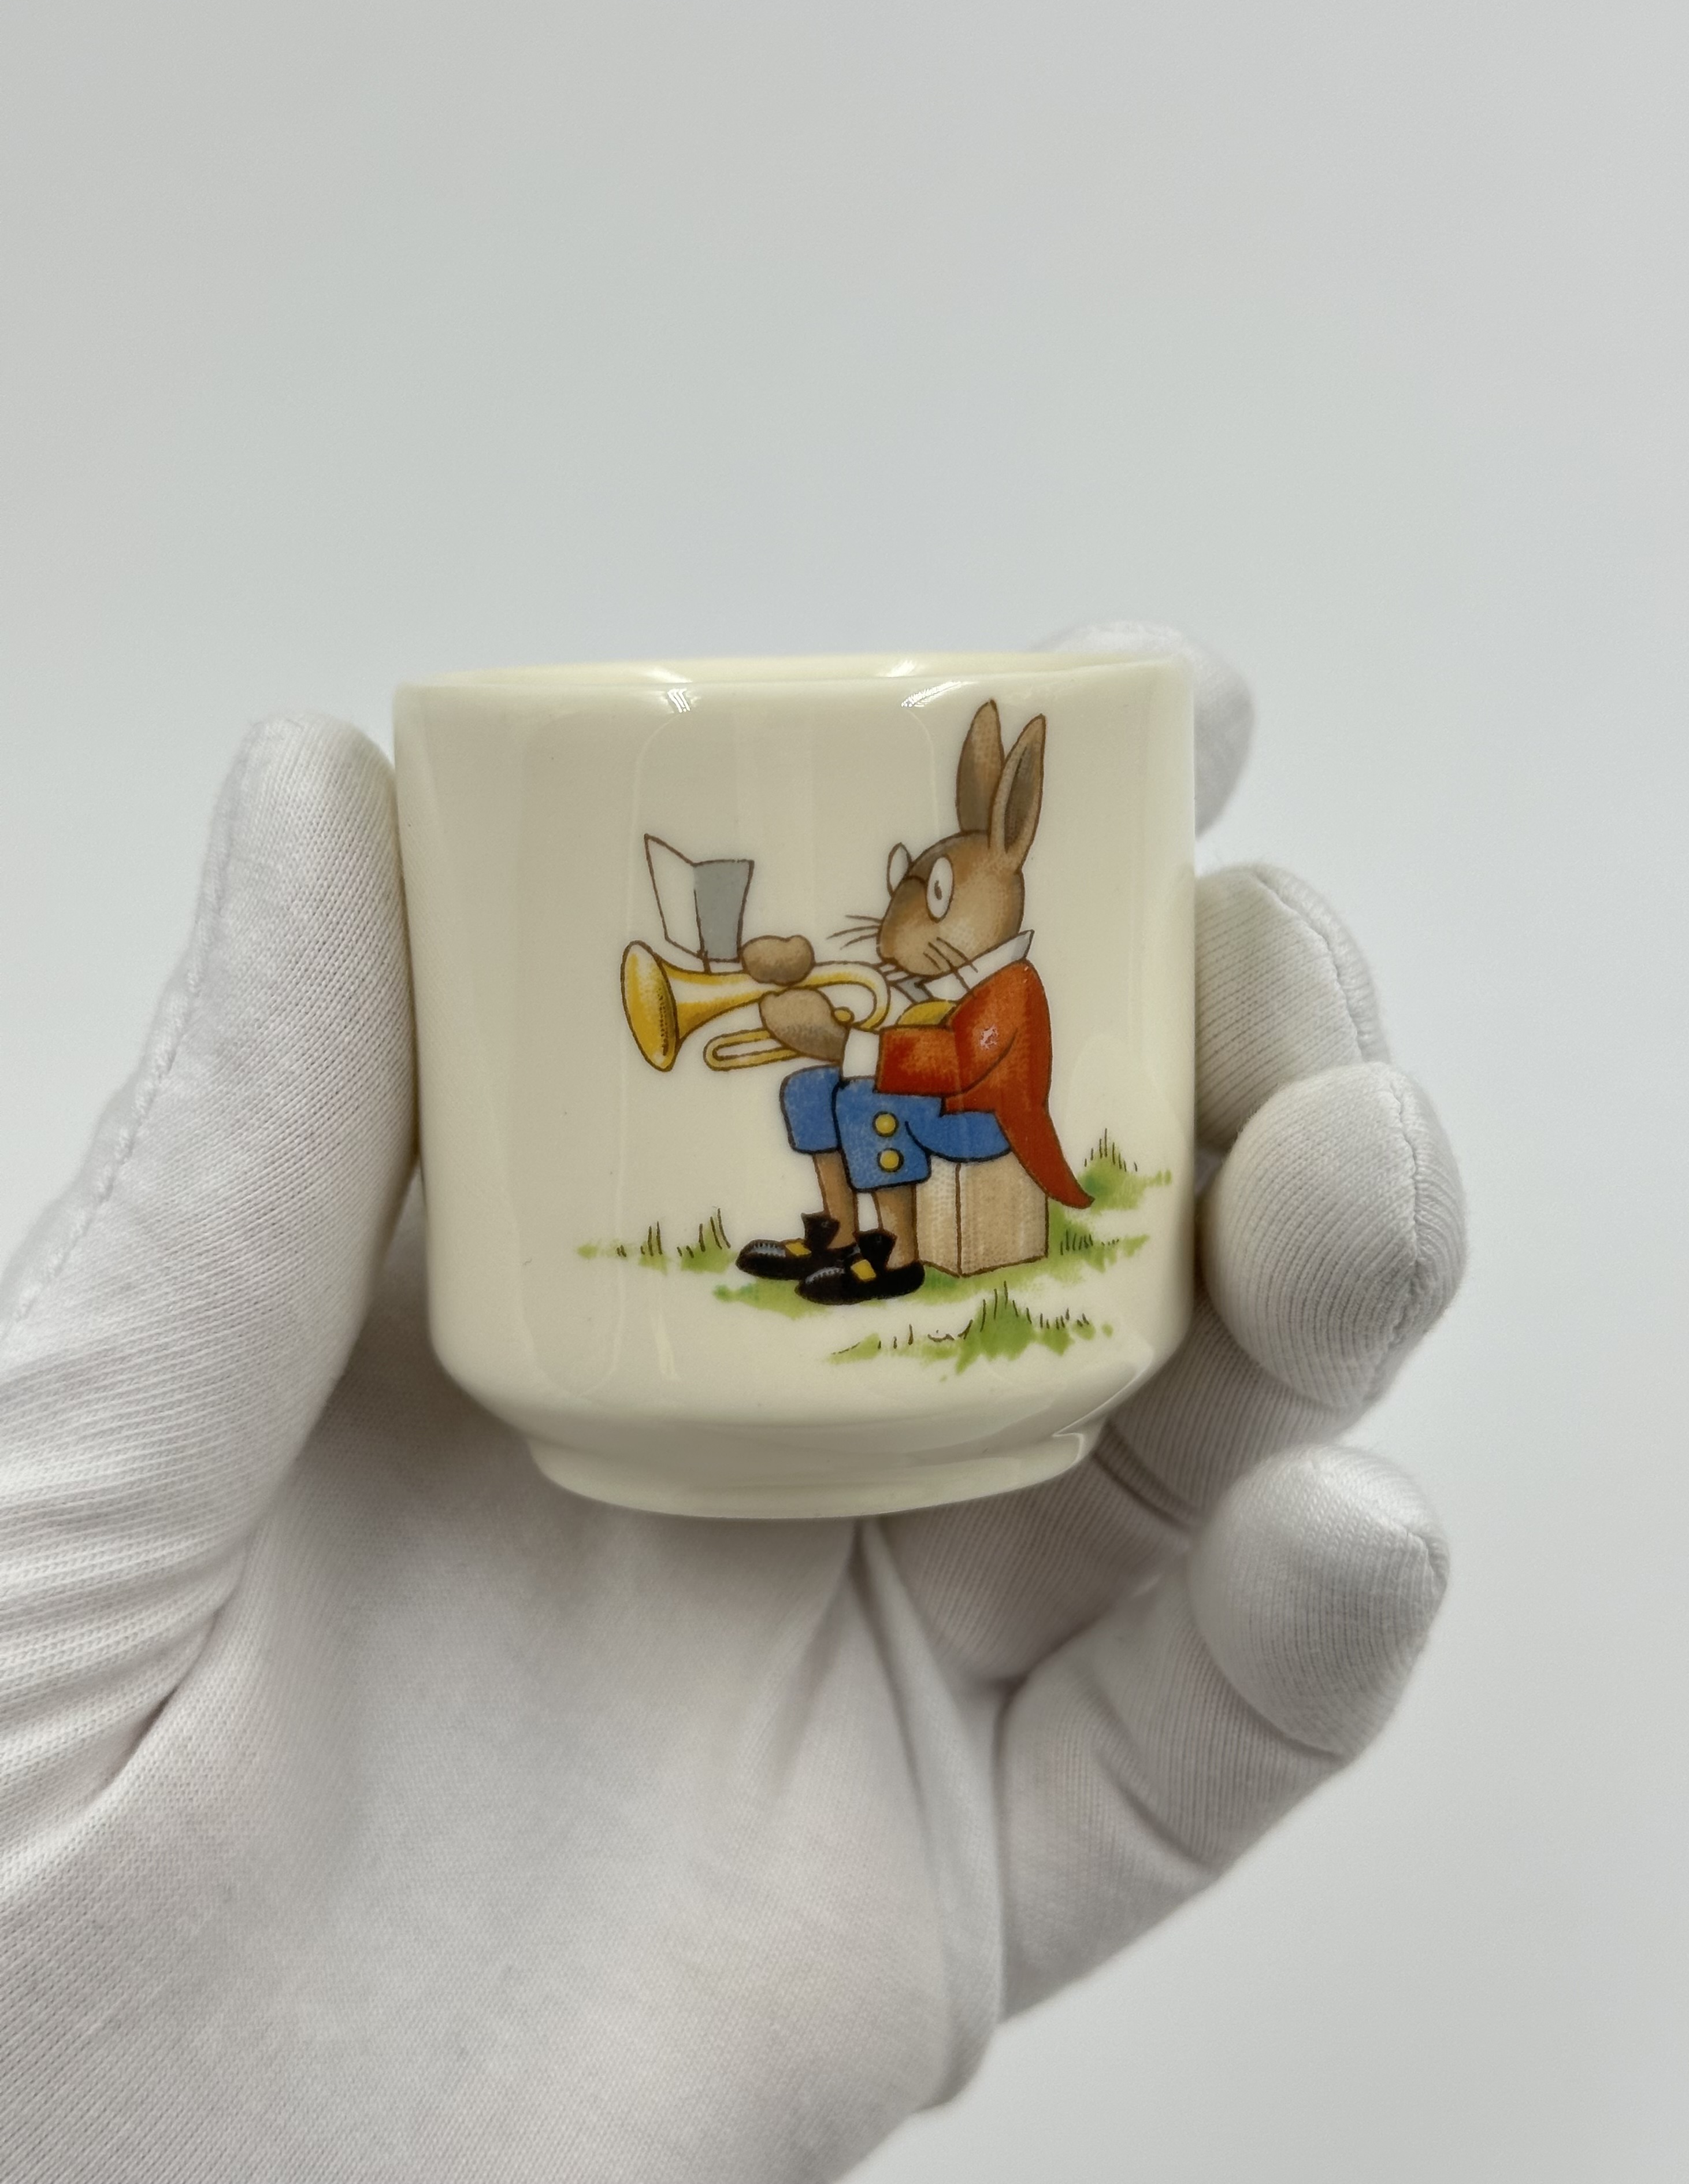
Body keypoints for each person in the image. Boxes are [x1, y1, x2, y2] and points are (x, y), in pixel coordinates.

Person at [0, 625, 1465, 2183]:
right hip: (917, 1099)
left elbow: (960, 1080)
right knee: (816, 1090)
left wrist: (845, 1018)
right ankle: (842, 1242)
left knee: (861, 1090)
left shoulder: (1012, 990)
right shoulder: (940, 975)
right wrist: (805, 1010)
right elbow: (885, 1042)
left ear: (992, 887)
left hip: (987, 1137)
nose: (907, 917)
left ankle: (879, 1248)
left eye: (928, 895)